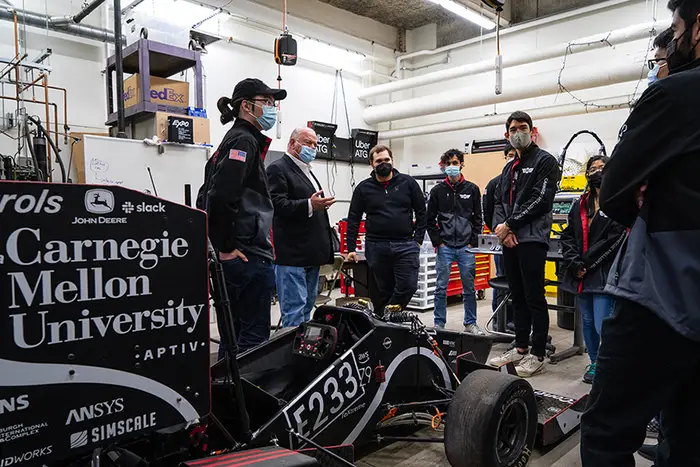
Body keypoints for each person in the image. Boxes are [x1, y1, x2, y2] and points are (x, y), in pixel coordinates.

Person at [580, 1, 700, 465]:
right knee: (688, 435)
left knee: (607, 431)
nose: (672, 41)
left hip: (662, 295)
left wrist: (648, 197)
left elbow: (612, 191)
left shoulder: (675, 95)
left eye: (676, 28)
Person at [197, 78, 285, 355]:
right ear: (247, 106)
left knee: (232, 340)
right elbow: (220, 196)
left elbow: (206, 195)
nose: (273, 109)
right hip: (246, 256)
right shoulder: (244, 141)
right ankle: (246, 397)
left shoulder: (231, 142)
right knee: (252, 343)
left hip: (238, 257)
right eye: (267, 103)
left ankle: (230, 395)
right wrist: (225, 247)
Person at [487, 111, 561, 378]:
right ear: (507, 134)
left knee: (533, 297)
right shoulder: (508, 168)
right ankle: (519, 347)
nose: (518, 132)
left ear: (533, 131)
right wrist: (501, 229)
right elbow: (498, 202)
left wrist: (511, 225)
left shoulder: (546, 162)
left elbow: (542, 200)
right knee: (516, 296)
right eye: (513, 129)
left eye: (523, 127)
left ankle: (537, 353)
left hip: (532, 239)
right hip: (509, 239)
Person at [639, 25, 674, 463]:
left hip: (668, 265)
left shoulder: (668, 103)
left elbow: (618, 189)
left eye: (659, 61)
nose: (655, 70)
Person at [559, 156, 626, 384]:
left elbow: (613, 239)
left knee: (602, 322)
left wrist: (585, 264)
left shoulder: (617, 203)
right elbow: (567, 236)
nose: (597, 171)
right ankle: (595, 362)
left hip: (603, 273)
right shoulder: (580, 204)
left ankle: (609, 364)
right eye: (592, 168)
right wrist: (574, 263)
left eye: (602, 168)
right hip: (580, 273)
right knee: (587, 321)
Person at [267, 128, 336, 327]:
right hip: (292, 256)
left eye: (315, 144)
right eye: (307, 143)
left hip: (310, 255)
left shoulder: (307, 170)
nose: (312, 148)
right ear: (292, 143)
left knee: (306, 309)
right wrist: (309, 205)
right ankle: (290, 354)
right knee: (294, 312)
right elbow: (276, 204)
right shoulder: (278, 169)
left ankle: (303, 351)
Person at [346, 144, 427, 312]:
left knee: (408, 286)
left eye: (386, 160)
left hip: (405, 245)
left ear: (392, 161)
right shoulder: (363, 188)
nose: (383, 163)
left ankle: (385, 316)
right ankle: (389, 328)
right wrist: (351, 248)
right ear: (371, 164)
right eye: (379, 161)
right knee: (383, 290)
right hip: (376, 246)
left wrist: (417, 241)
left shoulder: (408, 183)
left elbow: (422, 212)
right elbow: (353, 218)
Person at [427, 149, 484, 334]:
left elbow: (478, 218)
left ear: (461, 164)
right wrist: (438, 242)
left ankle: (470, 323)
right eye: (448, 163)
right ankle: (439, 324)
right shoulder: (437, 191)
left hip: (466, 247)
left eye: (455, 163)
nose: (452, 166)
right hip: (445, 247)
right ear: (444, 166)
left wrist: (472, 242)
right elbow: (430, 219)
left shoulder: (472, 189)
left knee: (469, 288)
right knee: (440, 288)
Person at [483, 143, 517, 323]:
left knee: (521, 284)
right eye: (509, 155)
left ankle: (518, 322)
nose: (512, 157)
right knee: (502, 280)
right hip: (502, 241)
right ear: (505, 157)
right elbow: (489, 212)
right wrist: (501, 232)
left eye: (515, 154)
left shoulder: (526, 181)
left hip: (523, 242)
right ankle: (499, 320)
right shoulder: (495, 183)